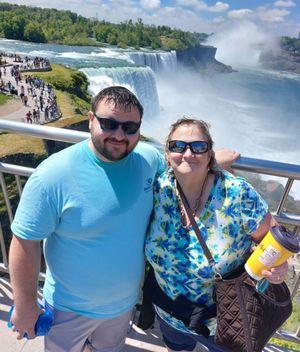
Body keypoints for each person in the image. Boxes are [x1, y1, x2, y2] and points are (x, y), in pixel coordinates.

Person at [9, 87, 238, 352]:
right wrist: (25, 306)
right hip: (67, 308)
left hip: (122, 306)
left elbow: (184, 168)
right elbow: (25, 241)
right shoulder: (52, 176)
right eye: (109, 124)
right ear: (90, 119)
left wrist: (209, 159)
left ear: (139, 129)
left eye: (130, 127)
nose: (119, 135)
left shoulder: (148, 161)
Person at [145, 118, 288, 352]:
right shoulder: (159, 188)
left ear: (209, 153)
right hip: (169, 313)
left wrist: (278, 268)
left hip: (225, 322)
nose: (188, 153)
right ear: (167, 154)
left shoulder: (236, 193)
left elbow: (273, 238)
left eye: (198, 146)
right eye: (178, 146)